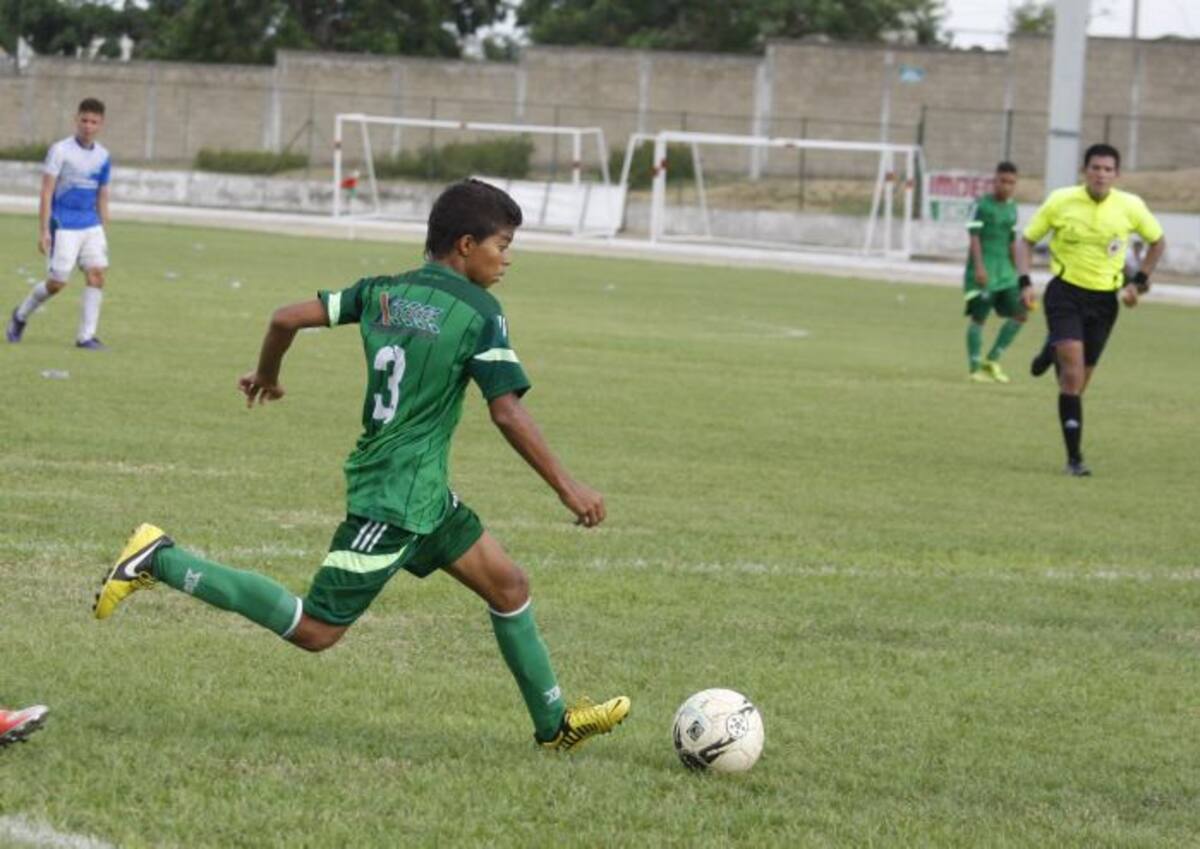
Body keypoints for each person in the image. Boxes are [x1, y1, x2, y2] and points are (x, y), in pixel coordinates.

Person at [93, 179, 630, 751]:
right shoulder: (479, 312)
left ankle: (554, 726)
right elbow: (506, 411)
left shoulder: (382, 292)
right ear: (466, 245)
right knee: (317, 629)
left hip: (422, 492)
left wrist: (268, 375)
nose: (507, 259)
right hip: (395, 498)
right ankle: (161, 559)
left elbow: (284, 318)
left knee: (508, 585)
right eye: (503, 245)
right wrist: (568, 487)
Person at [1017, 143, 1165, 476]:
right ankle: (1074, 459)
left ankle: (1052, 348)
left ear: (1117, 174)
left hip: (1104, 302)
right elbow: (1025, 241)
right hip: (1065, 293)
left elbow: (1158, 242)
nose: (1101, 174)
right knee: (1071, 377)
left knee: (1079, 383)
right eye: (1095, 168)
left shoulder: (1130, 206)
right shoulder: (1060, 201)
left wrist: (1138, 283)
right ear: (1085, 171)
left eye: (1107, 169)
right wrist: (1024, 282)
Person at [6, 98, 111, 349]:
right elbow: (46, 192)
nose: (88, 126)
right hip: (63, 224)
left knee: (97, 275)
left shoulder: (103, 156)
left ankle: (86, 337)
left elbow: (103, 194)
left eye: (93, 122)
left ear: (101, 124)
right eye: (84, 120)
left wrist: (103, 229)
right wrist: (44, 230)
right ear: (76, 120)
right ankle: (20, 315)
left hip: (91, 225)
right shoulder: (60, 150)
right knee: (57, 283)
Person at [963, 161, 1025, 383]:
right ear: (994, 181)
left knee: (1021, 313)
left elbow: (1011, 241)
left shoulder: (1013, 208)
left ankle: (992, 359)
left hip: (1006, 273)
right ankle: (974, 368)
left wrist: (1020, 273)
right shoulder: (981, 205)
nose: (1006, 186)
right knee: (979, 318)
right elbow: (974, 237)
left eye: (1011, 182)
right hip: (984, 271)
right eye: (1003, 181)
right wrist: (979, 267)